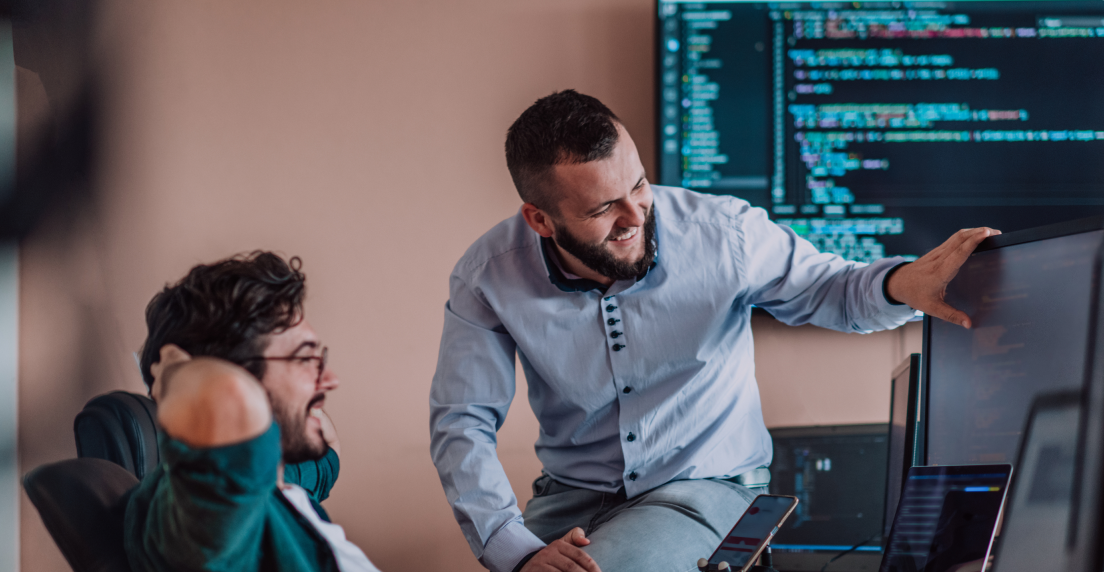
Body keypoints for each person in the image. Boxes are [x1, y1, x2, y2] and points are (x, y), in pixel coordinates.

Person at [428, 90, 998, 572]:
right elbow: (463, 420)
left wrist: (902, 283)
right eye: (604, 208)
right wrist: (516, 550)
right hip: (568, 500)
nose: (635, 216)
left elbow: (829, 288)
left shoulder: (723, 232)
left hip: (704, 489)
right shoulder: (488, 277)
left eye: (640, 185)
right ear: (541, 219)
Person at [124, 251, 380, 572]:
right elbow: (234, 401)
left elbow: (328, 451)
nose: (330, 379)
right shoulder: (210, 514)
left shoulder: (282, 485)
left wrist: (302, 405)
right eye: (304, 360)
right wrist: (178, 374)